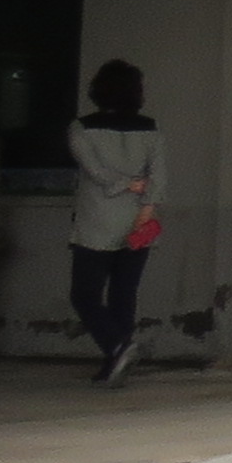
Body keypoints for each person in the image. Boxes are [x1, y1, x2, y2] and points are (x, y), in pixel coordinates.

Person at [68, 59, 161, 387]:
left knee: (84, 295)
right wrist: (147, 206)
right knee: (124, 294)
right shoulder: (150, 128)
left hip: (96, 222)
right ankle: (116, 361)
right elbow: (159, 173)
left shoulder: (81, 128)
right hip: (138, 221)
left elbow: (93, 169)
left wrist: (123, 184)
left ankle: (117, 347)